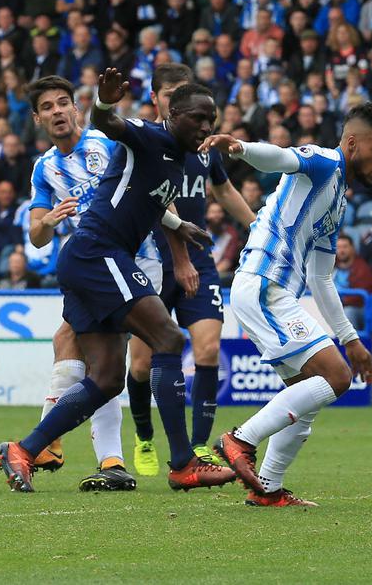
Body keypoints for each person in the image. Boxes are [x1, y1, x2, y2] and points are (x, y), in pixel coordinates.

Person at [0, 71, 231, 493]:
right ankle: (182, 462)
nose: (205, 128)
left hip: (90, 258)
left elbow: (145, 199)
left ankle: (24, 449)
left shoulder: (176, 157)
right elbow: (111, 122)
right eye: (197, 118)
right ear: (170, 114)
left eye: (211, 120)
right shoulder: (146, 136)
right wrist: (103, 103)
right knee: (168, 339)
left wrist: (180, 226)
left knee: (106, 378)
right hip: (100, 252)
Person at [201, 101, 372, 507]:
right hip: (263, 282)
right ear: (353, 142)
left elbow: (322, 277)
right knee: (336, 377)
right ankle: (239, 439)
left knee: (309, 392)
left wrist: (351, 338)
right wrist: (241, 148)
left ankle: (268, 488)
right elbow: (283, 158)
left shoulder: (337, 199)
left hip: (274, 291)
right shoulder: (325, 161)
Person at [127, 64, 259, 477]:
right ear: (156, 99)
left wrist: (258, 228)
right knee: (141, 364)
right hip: (149, 257)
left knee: (206, 348)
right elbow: (158, 203)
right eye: (172, 94)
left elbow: (223, 189)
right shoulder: (146, 141)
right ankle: (145, 436)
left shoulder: (203, 147)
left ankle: (200, 447)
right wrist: (178, 255)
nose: (183, 104)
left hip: (198, 257)